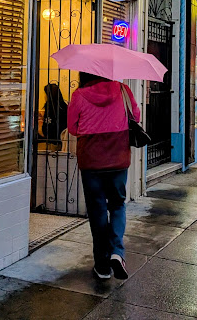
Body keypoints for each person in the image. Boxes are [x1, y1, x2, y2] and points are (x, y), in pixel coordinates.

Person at [67, 71, 140, 281]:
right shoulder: (123, 90)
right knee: (117, 205)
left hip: (91, 161)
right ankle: (117, 252)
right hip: (118, 159)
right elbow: (135, 117)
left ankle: (102, 265)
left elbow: (72, 128)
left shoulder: (79, 95)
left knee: (97, 211)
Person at [38, 83, 67, 151]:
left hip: (52, 142)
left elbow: (47, 128)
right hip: (63, 140)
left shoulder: (50, 107)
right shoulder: (63, 106)